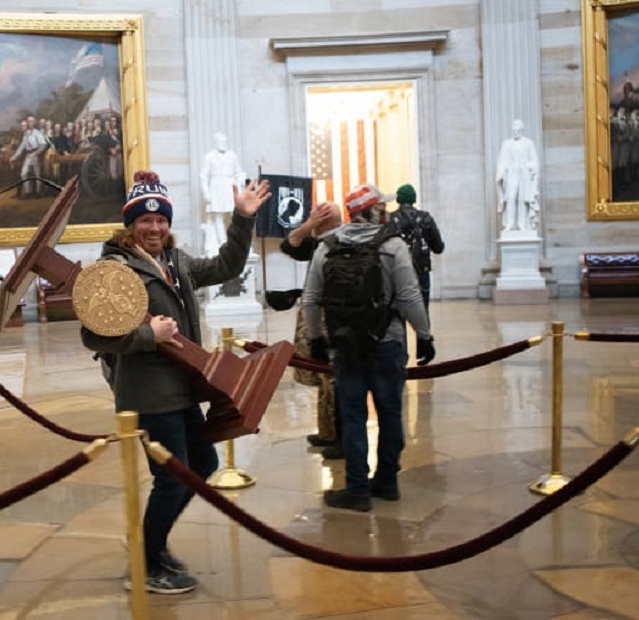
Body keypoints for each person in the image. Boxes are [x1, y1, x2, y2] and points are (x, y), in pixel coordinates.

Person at [81, 170, 271, 594]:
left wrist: (241, 219)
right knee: (173, 476)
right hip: (149, 393)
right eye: (145, 221)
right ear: (131, 225)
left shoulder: (176, 260)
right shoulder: (114, 269)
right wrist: (150, 335)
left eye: (161, 219)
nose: (154, 227)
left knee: (202, 466)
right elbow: (93, 334)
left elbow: (227, 265)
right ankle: (145, 563)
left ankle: (152, 544)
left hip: (183, 387)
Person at [302, 183, 434, 512]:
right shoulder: (393, 246)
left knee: (353, 416)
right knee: (390, 413)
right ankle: (387, 481)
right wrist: (425, 334)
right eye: (382, 207)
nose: (386, 211)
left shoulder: (327, 246)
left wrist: (316, 339)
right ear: (374, 212)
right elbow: (409, 296)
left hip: (346, 346)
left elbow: (311, 299)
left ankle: (357, 489)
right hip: (387, 343)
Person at [280, 201, 344, 457]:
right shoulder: (318, 242)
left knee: (332, 379)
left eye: (314, 216)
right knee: (324, 377)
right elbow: (289, 244)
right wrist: (310, 225)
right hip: (318, 317)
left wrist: (311, 224)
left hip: (331, 321)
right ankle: (328, 432)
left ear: (323, 220)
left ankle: (341, 438)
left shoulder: (340, 242)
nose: (309, 218)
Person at [389, 183, 445, 314]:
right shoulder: (426, 218)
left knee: (398, 315)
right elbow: (438, 248)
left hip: (398, 271)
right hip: (421, 270)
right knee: (423, 313)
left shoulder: (390, 219)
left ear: (399, 199)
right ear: (413, 198)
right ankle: (423, 334)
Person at [200, 132, 246, 255]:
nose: (223, 144)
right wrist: (206, 193)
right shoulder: (209, 157)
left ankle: (234, 239)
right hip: (216, 186)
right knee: (218, 216)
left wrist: (240, 185)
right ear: (215, 143)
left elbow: (238, 172)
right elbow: (204, 176)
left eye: (225, 142)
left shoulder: (232, 156)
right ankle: (222, 241)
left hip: (229, 186)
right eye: (221, 142)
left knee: (233, 214)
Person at [495, 119, 539, 233]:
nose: (516, 132)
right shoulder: (506, 144)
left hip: (524, 173)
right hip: (511, 174)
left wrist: (531, 167)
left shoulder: (528, 143)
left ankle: (521, 224)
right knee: (510, 198)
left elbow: (533, 159)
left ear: (522, 130)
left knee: (522, 200)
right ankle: (509, 224)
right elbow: (502, 160)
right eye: (514, 130)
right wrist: (500, 173)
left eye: (518, 130)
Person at [11, 116, 48, 198]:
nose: (30, 123)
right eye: (28, 121)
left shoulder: (37, 133)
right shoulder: (26, 134)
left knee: (37, 175)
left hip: (35, 156)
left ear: (34, 123)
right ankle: (28, 192)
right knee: (23, 174)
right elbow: (22, 147)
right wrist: (14, 157)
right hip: (28, 156)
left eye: (31, 121)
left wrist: (37, 152)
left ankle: (38, 193)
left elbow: (43, 145)